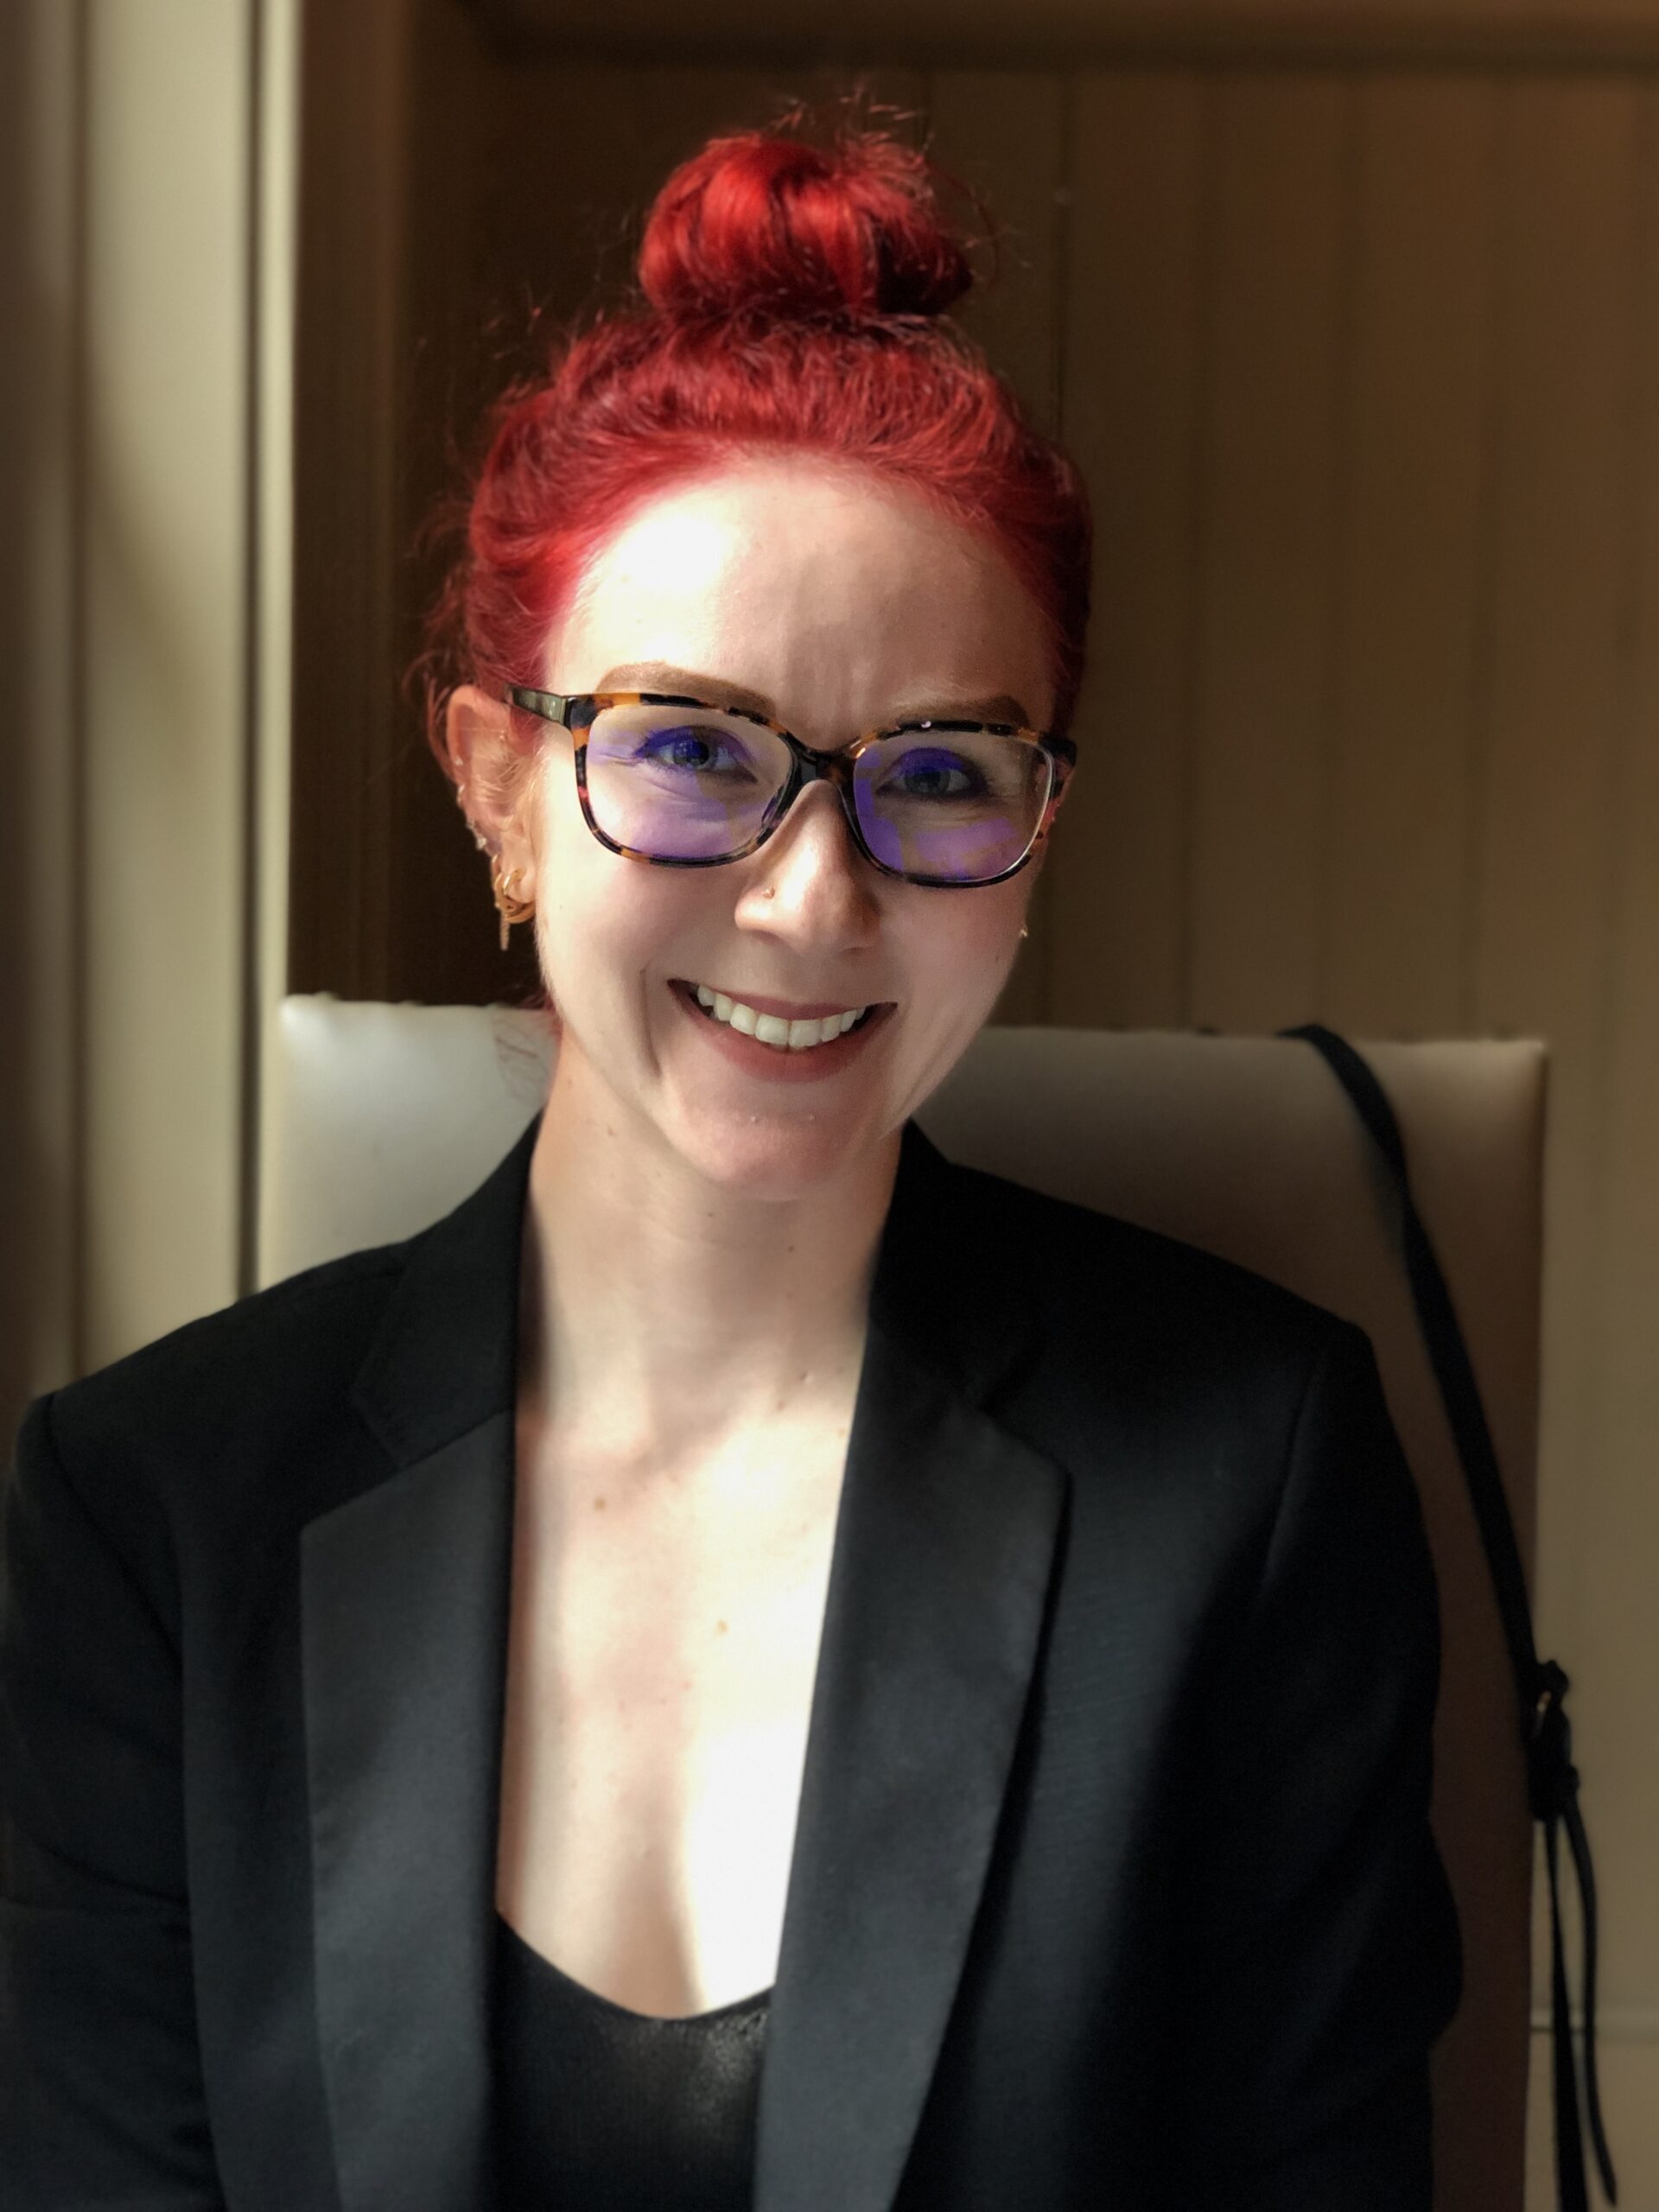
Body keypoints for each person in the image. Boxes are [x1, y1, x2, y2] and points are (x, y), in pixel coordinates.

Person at [1, 111, 1460, 2211]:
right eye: (690, 747)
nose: (811, 897)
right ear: (500, 788)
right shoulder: (150, 1508)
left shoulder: (1250, 1482)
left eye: (938, 773)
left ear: (1036, 837)